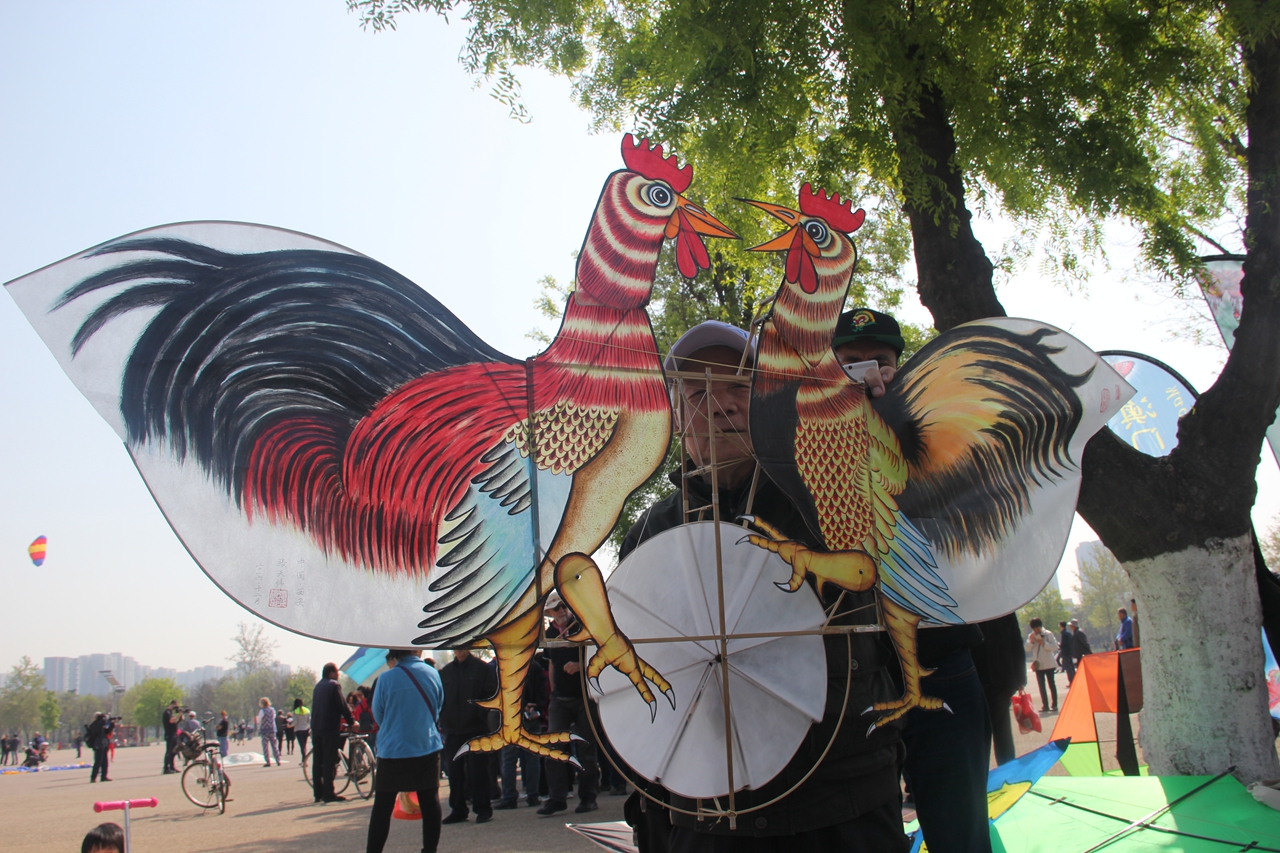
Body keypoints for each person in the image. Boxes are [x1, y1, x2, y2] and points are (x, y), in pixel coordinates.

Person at [622, 321, 909, 853]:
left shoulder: (837, 497)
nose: (720, 405)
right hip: (704, 819)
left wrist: (894, 418)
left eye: (738, 386)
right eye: (697, 391)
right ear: (675, 416)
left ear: (772, 402)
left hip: (842, 806)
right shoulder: (648, 535)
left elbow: (929, 505)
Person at [833, 308, 994, 852]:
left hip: (942, 661)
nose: (867, 374)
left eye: (880, 362)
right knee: (867, 833)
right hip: (854, 675)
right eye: (849, 363)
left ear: (901, 366)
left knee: (960, 830)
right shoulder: (803, 439)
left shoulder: (938, 429)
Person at [366, 648, 445, 853]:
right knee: (430, 801)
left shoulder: (385, 679)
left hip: (393, 749)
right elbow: (438, 707)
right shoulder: (432, 673)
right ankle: (430, 849)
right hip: (425, 746)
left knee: (382, 806)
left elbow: (379, 715)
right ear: (417, 650)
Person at [539, 592, 599, 817]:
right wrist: (553, 693)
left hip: (583, 697)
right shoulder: (550, 633)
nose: (561, 611)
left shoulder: (582, 625)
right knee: (554, 749)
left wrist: (580, 664)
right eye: (556, 608)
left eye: (563, 606)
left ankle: (588, 797)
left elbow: (598, 657)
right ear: (550, 614)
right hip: (560, 699)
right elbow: (552, 664)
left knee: (586, 749)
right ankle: (557, 799)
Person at [438, 648, 498, 824]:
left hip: (476, 729)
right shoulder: (446, 672)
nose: (459, 649)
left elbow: (491, 695)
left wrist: (479, 715)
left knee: (478, 772)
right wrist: (444, 719)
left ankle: (483, 809)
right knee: (454, 773)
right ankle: (458, 810)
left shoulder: (482, 669)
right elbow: (441, 699)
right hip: (453, 731)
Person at [495, 654, 548, 809]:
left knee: (509, 759)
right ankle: (533, 795)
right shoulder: (535, 666)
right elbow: (543, 692)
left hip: (511, 717)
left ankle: (510, 796)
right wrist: (535, 705)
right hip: (531, 716)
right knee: (532, 759)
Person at [312, 662, 355, 802]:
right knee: (329, 761)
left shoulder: (318, 686)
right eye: (336, 672)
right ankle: (329, 793)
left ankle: (318, 793)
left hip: (316, 727)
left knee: (318, 761)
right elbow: (342, 706)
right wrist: (352, 722)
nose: (338, 674)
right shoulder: (334, 685)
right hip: (329, 727)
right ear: (331, 673)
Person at [1026, 618, 1059, 712]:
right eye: (1034, 629)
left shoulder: (1048, 634)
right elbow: (1027, 649)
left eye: (1037, 628)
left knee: (1051, 684)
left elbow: (1055, 647)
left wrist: (1044, 643)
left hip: (1049, 663)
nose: (1036, 631)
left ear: (1040, 627)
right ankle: (1045, 705)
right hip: (1038, 665)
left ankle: (1054, 704)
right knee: (1041, 686)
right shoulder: (1031, 636)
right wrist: (1031, 642)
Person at [87, 711, 114, 782]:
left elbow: (107, 731)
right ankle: (93, 778)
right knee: (98, 762)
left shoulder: (101, 724)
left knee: (105, 762)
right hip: (98, 745)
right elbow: (101, 724)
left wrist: (112, 723)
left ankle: (104, 776)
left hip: (103, 744)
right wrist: (106, 718)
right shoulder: (95, 724)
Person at [258, 697, 280, 767]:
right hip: (272, 729)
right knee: (274, 745)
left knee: (265, 747)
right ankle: (278, 759)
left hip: (264, 730)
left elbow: (259, 720)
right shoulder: (272, 710)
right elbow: (273, 718)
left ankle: (268, 761)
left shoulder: (262, 711)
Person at [162, 699, 180, 774]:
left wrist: (180, 718)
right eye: (175, 706)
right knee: (169, 751)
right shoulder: (167, 712)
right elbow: (171, 721)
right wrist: (179, 715)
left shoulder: (171, 713)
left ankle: (172, 766)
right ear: (172, 704)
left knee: (174, 751)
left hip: (174, 734)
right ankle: (166, 767)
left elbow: (175, 721)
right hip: (169, 734)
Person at [1059, 621, 1077, 685]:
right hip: (1070, 651)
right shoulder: (1069, 633)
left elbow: (1063, 644)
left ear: (1061, 626)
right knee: (1071, 666)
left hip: (1065, 652)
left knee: (1068, 667)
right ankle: (1075, 679)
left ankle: (1071, 681)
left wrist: (1059, 645)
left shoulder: (1063, 634)